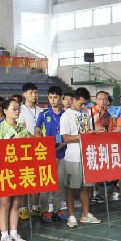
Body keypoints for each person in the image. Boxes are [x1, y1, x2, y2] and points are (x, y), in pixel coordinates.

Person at [0, 99, 30, 241]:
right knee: (5, 203)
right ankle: (4, 236)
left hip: (19, 168)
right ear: (5, 111)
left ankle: (14, 233)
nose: (17, 111)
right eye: (14, 108)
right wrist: (14, 140)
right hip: (4, 170)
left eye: (18, 108)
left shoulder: (22, 128)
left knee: (16, 203)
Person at [59, 89, 101, 228]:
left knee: (86, 187)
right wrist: (83, 136)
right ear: (74, 100)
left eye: (85, 104)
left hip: (87, 154)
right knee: (71, 188)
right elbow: (66, 138)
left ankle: (86, 214)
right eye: (81, 103)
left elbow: (87, 131)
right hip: (73, 157)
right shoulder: (66, 116)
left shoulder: (86, 113)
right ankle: (71, 216)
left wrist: (93, 133)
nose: (83, 106)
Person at [35, 85, 67, 221]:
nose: (52, 100)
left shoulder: (66, 115)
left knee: (59, 182)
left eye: (55, 97)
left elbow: (69, 133)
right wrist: (42, 142)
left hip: (62, 152)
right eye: (50, 97)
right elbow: (37, 131)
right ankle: (44, 210)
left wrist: (64, 142)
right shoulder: (43, 114)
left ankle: (57, 209)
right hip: (47, 154)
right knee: (46, 182)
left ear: (61, 98)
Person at [18, 83, 41, 219]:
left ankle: (35, 206)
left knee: (37, 179)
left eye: (36, 92)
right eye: (31, 92)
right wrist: (35, 139)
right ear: (24, 94)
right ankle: (22, 208)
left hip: (39, 150)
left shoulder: (41, 110)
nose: (34, 95)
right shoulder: (20, 110)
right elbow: (22, 130)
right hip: (25, 150)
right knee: (25, 178)